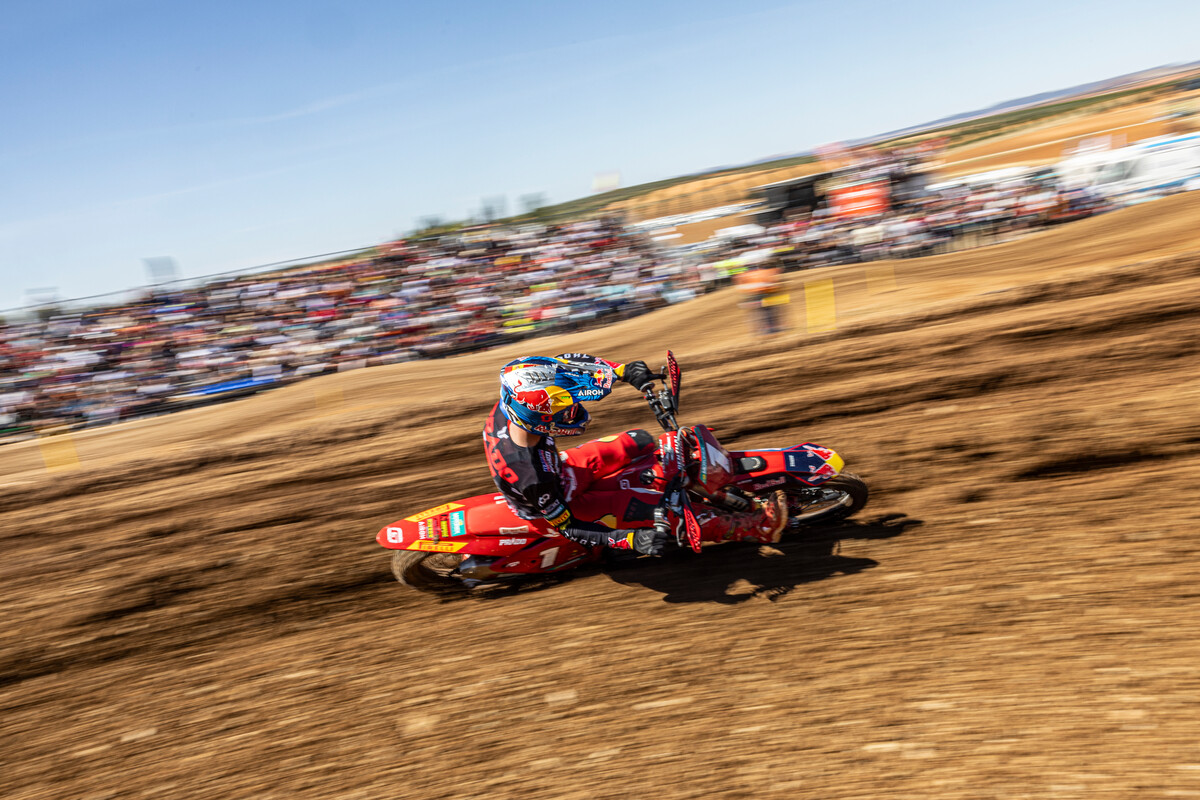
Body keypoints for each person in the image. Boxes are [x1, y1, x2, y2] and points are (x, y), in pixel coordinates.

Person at [482, 353, 786, 556]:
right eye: (563, 409)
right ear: (536, 418)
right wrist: (630, 541)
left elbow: (567, 366)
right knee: (664, 510)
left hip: (565, 470)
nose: (573, 410)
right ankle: (757, 528)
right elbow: (569, 527)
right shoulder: (530, 475)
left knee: (639, 441)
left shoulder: (511, 401)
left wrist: (621, 371)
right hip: (564, 506)